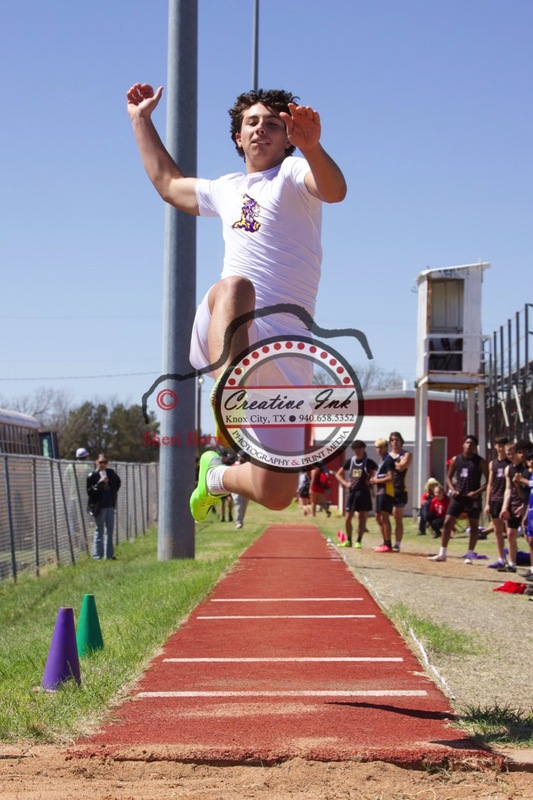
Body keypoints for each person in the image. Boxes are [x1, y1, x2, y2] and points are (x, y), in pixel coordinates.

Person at [126, 83, 346, 522]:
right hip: (231, 324)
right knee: (236, 285)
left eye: (273, 123)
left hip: (287, 349)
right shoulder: (225, 188)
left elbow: (335, 190)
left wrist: (315, 147)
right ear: (238, 137)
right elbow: (169, 184)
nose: (261, 129)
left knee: (277, 490)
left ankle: (216, 477)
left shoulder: (294, 174)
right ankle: (230, 389)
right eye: (252, 123)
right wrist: (140, 120)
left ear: (287, 137)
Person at [428, 434, 488, 564]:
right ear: (463, 444)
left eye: (471, 444)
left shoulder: (480, 462)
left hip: (473, 498)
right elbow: (448, 477)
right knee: (447, 522)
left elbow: (489, 481)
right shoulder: (456, 460)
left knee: (473, 525)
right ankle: (442, 553)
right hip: (458, 496)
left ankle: (470, 554)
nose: (469, 446)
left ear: (475, 447)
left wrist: (477, 493)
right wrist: (452, 489)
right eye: (467, 443)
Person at [335, 440, 377, 548]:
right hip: (352, 492)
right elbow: (338, 474)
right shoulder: (350, 461)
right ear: (353, 450)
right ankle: (348, 540)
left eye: (360, 448)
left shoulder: (369, 462)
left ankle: (359, 540)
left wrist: (373, 479)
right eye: (355, 449)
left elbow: (380, 471)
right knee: (348, 517)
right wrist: (345, 483)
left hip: (363, 492)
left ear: (364, 449)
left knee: (362, 517)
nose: (358, 451)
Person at [500, 440, 530, 573]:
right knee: (510, 533)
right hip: (514, 503)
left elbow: (528, 489)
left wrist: (524, 505)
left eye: (513, 453)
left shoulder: (527, 467)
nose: (511, 456)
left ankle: (531, 567)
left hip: (527, 503)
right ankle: (512, 564)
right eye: (509, 454)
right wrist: (504, 507)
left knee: (528, 535)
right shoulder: (509, 469)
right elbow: (508, 489)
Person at [87, 455, 121, 560]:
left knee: (109, 531)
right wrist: (101, 483)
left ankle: (109, 555)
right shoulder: (92, 475)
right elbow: (90, 491)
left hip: (110, 505)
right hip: (99, 506)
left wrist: (111, 488)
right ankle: (97, 556)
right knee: (99, 530)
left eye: (105, 462)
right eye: (101, 462)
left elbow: (118, 483)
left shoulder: (111, 473)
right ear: (96, 462)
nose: (103, 464)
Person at [484, 435, 511, 569]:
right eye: (498, 445)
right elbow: (490, 484)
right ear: (495, 446)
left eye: (503, 445)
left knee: (510, 532)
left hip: (507, 501)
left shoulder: (510, 462)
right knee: (497, 531)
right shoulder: (492, 463)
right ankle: (501, 558)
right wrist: (487, 503)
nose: (500, 447)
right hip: (495, 499)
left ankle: (512, 560)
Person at [369, 438, 395, 553]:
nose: (379, 449)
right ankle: (385, 541)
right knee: (377, 517)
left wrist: (376, 481)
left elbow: (390, 477)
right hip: (380, 492)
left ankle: (388, 544)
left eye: (381, 447)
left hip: (386, 492)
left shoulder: (388, 460)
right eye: (377, 447)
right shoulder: (382, 461)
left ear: (386, 447)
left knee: (384, 517)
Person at [388, 431, 412, 550]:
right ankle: (386, 541)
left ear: (401, 441)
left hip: (400, 489)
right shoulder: (388, 455)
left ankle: (397, 544)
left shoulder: (406, 454)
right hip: (388, 489)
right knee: (381, 516)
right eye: (392, 440)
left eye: (397, 439)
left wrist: (391, 463)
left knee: (397, 517)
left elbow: (401, 467)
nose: (394, 442)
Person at [65, 447, 92, 538]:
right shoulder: (88, 468)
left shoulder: (70, 466)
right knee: (84, 519)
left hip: (73, 496)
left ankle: (72, 536)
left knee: (71, 517)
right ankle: (84, 537)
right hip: (85, 497)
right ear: (86, 456)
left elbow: (66, 479)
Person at [231, 451, 249, 529]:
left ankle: (241, 521)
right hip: (236, 488)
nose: (242, 458)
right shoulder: (234, 466)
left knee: (244, 505)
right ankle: (238, 522)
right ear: (238, 457)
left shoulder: (248, 466)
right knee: (238, 502)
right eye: (241, 457)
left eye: (244, 457)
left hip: (245, 488)